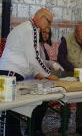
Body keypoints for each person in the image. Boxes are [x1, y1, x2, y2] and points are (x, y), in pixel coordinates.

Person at [0, 8, 59, 136]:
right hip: (10, 74)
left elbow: (29, 58)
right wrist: (48, 75)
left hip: (11, 73)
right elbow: (34, 58)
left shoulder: (29, 28)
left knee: (12, 112)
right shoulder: (30, 29)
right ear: (41, 17)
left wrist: (39, 73)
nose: (49, 26)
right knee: (7, 111)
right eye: (49, 22)